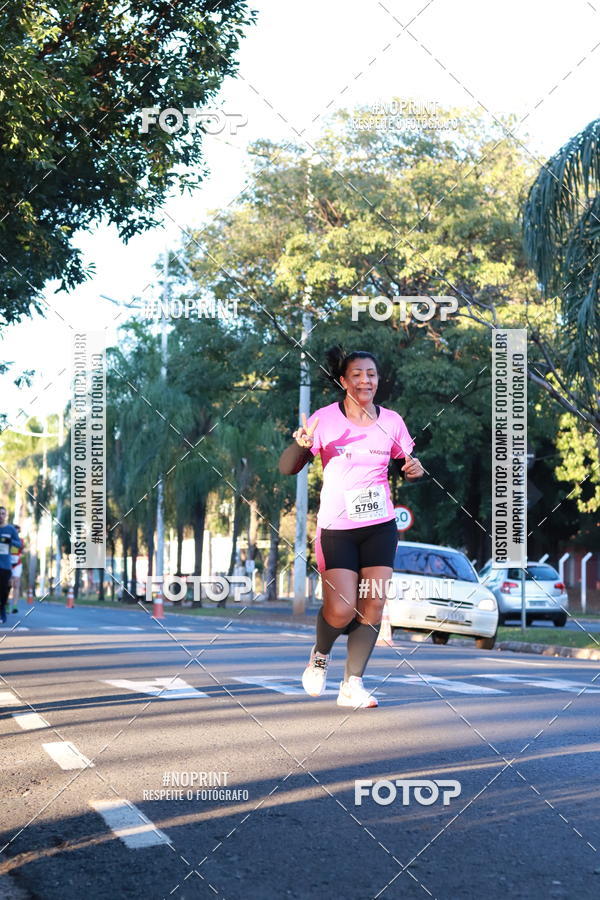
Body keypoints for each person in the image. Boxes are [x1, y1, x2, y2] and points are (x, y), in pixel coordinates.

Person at [279, 348, 424, 709]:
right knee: (342, 608)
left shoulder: (392, 422)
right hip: (337, 528)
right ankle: (320, 655)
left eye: (371, 374)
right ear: (344, 381)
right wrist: (301, 445)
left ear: (378, 380)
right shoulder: (325, 420)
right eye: (357, 374)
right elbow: (287, 468)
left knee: (373, 603)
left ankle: (352, 684)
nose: (365, 381)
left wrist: (415, 471)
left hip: (379, 526)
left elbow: (407, 464)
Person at [0, 506, 23, 625]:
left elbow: (19, 544)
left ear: (6, 515)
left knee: (4, 590)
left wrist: (10, 541)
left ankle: (2, 609)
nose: (0, 516)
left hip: (5, 565)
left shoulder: (10, 529)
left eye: (3, 513)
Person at [10, 525, 23, 613]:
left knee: (16, 584)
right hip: (7, 564)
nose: (16, 533)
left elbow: (21, 548)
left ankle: (15, 606)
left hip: (17, 564)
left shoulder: (20, 540)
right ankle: (6, 604)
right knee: (7, 585)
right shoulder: (7, 539)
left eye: (17, 531)